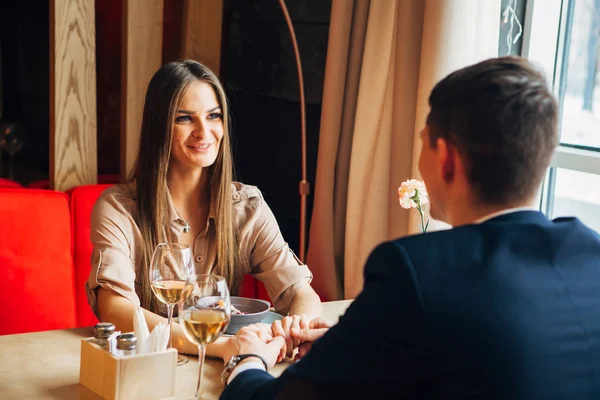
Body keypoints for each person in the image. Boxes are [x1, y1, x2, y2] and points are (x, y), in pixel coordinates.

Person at [219, 56, 600, 399]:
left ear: (446, 159)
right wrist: (351, 346)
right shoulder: (591, 256)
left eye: (423, 143)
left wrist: (247, 359)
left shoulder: (417, 270)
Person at [85, 60, 322, 358]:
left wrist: (297, 328)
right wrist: (222, 346)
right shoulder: (118, 208)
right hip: (153, 366)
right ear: (159, 126)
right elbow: (116, 308)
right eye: (184, 118)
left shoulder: (247, 206)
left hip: (222, 366)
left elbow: (299, 290)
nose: (204, 131)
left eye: (213, 116)